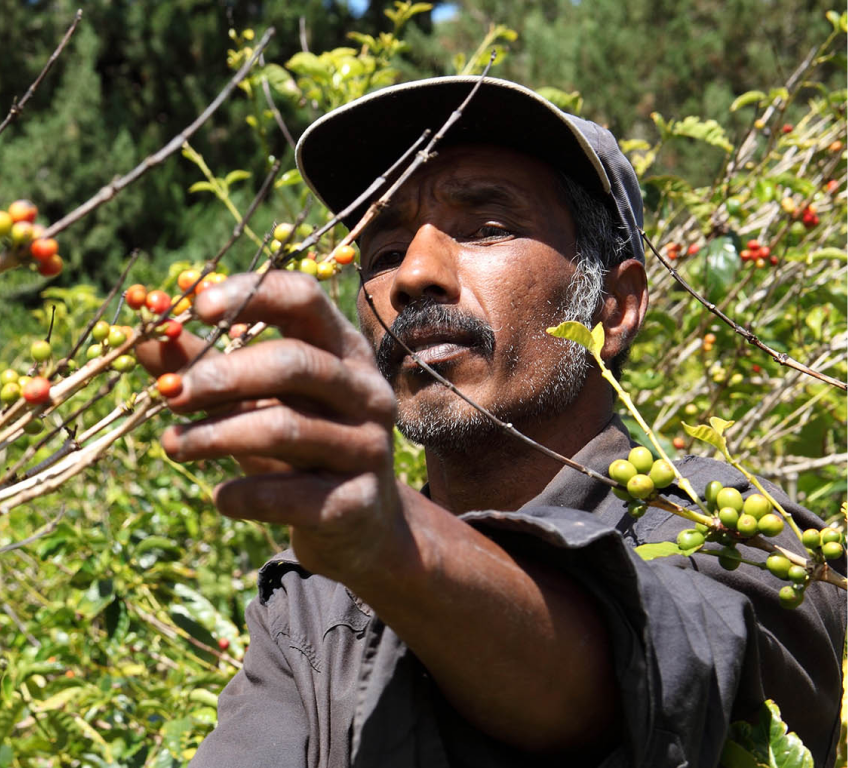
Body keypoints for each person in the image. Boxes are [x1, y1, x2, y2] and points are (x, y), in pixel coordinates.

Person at [138, 77, 847, 767]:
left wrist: (390, 542)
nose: (413, 274)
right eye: (381, 254)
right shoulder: (316, 599)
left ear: (614, 306)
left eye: (487, 228)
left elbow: (665, 679)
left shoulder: (737, 534)